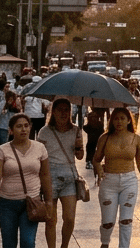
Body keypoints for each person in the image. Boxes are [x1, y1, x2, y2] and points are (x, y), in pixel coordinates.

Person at [0, 114, 54, 248]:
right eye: (19, 126)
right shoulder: (2, 151)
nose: (23, 129)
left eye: (26, 126)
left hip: (32, 203)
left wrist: (48, 201)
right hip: (7, 204)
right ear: (11, 130)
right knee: (9, 243)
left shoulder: (40, 148)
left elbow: (45, 175)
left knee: (28, 242)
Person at [93, 107, 140, 248]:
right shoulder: (105, 138)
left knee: (126, 220)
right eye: (116, 119)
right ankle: (105, 243)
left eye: (122, 118)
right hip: (109, 182)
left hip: (129, 182)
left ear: (129, 120)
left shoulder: (136, 139)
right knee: (108, 222)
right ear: (111, 121)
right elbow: (96, 159)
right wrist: (99, 169)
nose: (119, 122)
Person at [36, 99, 85, 248]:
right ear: (53, 112)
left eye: (67, 110)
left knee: (69, 218)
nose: (63, 113)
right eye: (60, 110)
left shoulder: (76, 130)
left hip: (69, 176)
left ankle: (64, 245)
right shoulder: (45, 131)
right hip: (49, 175)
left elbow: (80, 156)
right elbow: (38, 156)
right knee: (51, 218)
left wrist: (78, 146)